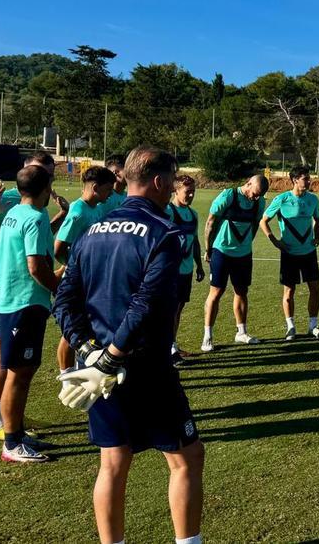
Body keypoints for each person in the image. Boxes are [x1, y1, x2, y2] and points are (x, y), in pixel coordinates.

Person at [53, 146, 205, 544]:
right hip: (145, 367)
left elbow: (64, 299)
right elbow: (146, 305)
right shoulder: (164, 232)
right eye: (171, 179)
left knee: (113, 463)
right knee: (186, 459)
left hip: (101, 371)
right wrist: (110, 357)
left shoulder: (92, 231)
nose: (173, 186)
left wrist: (89, 351)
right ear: (159, 182)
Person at [0, 150, 66, 443]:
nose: (45, 180)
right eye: (39, 173)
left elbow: (34, 241)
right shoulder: (8, 201)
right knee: (5, 361)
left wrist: (61, 216)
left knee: (15, 364)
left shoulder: (34, 208)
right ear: (25, 171)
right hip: (13, 288)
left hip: (26, 287)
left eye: (48, 175)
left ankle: (12, 419)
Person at [0, 165, 61, 462]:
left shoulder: (13, 214)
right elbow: (35, 266)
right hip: (24, 304)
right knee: (19, 374)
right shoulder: (34, 218)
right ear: (46, 188)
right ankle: (11, 444)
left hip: (12, 301)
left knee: (21, 371)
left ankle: (18, 435)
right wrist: (58, 283)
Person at [53, 166, 117, 375]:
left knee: (88, 323)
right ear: (95, 187)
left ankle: (83, 367)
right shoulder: (78, 212)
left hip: (92, 277)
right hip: (78, 277)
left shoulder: (97, 207)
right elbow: (59, 247)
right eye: (108, 189)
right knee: (73, 328)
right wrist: (71, 265)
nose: (110, 195)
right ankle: (66, 374)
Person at [201, 173, 268, 351]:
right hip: (221, 251)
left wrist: (245, 246)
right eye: (255, 193)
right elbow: (210, 222)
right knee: (216, 292)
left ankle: (241, 333)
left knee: (242, 291)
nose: (256, 197)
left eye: (260, 195)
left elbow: (254, 226)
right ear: (248, 183)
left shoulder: (260, 202)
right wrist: (208, 249)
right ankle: (207, 335)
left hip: (243, 255)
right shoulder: (228, 196)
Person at [260, 166, 319, 340]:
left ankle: (313, 326)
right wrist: (275, 241)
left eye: (309, 178)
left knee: (315, 289)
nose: (309, 181)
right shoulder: (282, 199)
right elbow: (264, 221)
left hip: (309, 252)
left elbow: (317, 218)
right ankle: (291, 327)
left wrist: (317, 236)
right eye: (305, 178)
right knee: (289, 292)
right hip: (289, 253)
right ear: (295, 180)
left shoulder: (313, 199)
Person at [166, 175, 205, 366]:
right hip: (171, 271)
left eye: (193, 192)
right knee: (170, 310)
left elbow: (195, 241)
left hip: (187, 270)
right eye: (187, 191)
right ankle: (168, 349)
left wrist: (199, 265)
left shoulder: (193, 214)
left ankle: (172, 344)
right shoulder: (169, 212)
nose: (190, 195)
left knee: (178, 309)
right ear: (176, 190)